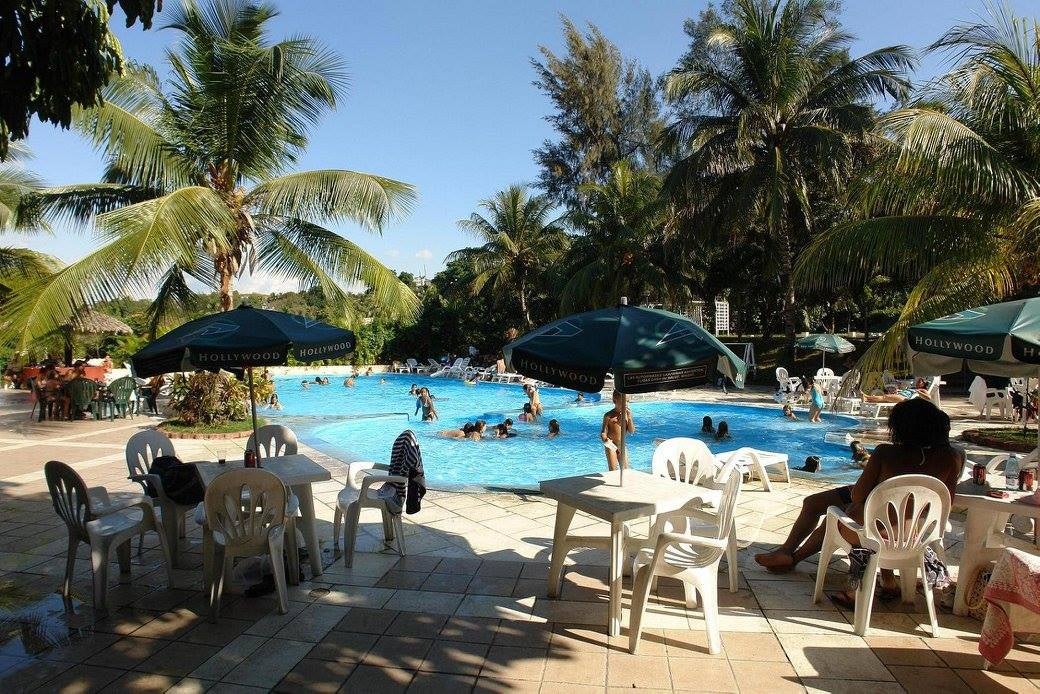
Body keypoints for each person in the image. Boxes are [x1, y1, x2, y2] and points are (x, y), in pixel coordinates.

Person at [754, 399, 963, 603]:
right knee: (817, 503)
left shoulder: (886, 453)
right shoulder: (950, 458)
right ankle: (887, 580)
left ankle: (792, 558)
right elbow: (946, 503)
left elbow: (858, 496)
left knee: (838, 514)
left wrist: (860, 501)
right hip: (913, 534)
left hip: (875, 530)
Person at [601, 390, 635, 471]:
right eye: (623, 401)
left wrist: (629, 418)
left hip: (622, 445)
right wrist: (605, 439)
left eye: (627, 401)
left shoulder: (627, 416)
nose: (625, 404)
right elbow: (603, 432)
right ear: (614, 401)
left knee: (626, 470)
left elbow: (631, 431)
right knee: (613, 470)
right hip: (611, 445)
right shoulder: (608, 416)